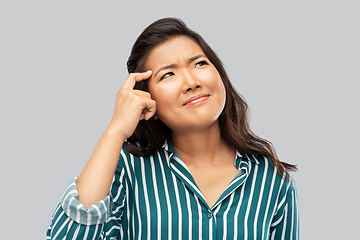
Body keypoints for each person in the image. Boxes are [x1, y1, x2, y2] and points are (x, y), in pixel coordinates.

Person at [47, 17, 299, 240]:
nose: (191, 82)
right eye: (168, 75)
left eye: (199, 64)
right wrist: (116, 130)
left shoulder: (272, 179)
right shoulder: (127, 170)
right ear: (147, 99)